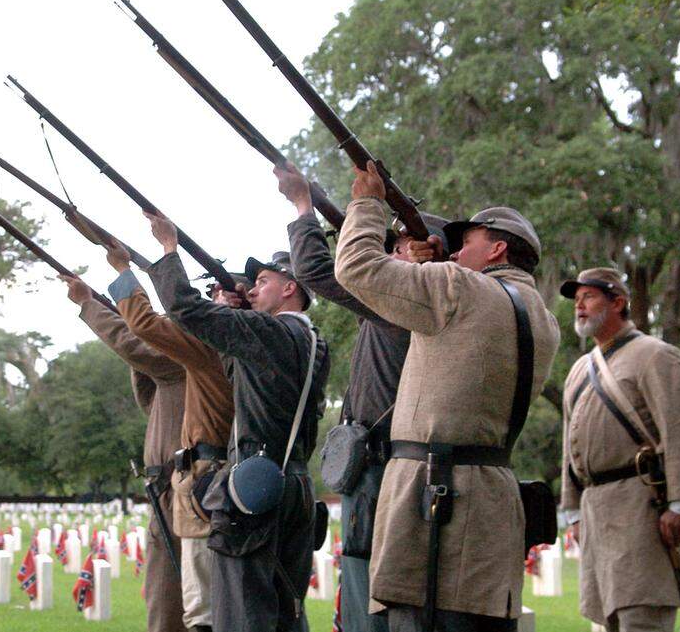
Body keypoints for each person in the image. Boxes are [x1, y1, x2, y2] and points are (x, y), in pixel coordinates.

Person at [333, 162, 560, 631]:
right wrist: (436, 266)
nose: (456, 250)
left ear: (497, 248)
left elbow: (354, 267)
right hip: (488, 499)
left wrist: (367, 204)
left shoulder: (458, 290)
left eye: (467, 242)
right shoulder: (542, 317)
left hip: (431, 506)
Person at [273, 161, 448, 632]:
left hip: (378, 469)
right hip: (396, 464)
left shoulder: (403, 300)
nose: (386, 258)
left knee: (362, 585)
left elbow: (311, 268)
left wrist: (302, 205)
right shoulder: (438, 304)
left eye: (396, 248)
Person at [141, 210, 331, 632]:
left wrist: (169, 249)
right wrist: (240, 317)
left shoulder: (269, 333)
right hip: (292, 486)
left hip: (253, 493)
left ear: (289, 288)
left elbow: (184, 308)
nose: (252, 289)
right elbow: (242, 374)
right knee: (286, 610)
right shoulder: (314, 341)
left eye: (263, 281)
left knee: (242, 614)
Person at [559, 267, 680, 632]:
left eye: (589, 297)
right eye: (576, 300)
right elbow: (570, 447)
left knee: (643, 617)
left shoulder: (656, 355)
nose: (579, 306)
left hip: (641, 508)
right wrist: (573, 512)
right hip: (596, 512)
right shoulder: (580, 369)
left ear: (618, 302)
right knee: (606, 621)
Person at [101, 241, 238, 632]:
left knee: (198, 612)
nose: (213, 301)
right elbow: (149, 388)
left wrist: (123, 275)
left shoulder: (212, 349)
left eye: (219, 295)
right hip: (204, 482)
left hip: (201, 484)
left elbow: (139, 337)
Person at [60, 275, 188, 632]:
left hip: (182, 491)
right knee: (165, 599)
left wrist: (91, 304)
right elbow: (149, 390)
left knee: (170, 604)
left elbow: (139, 348)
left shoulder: (200, 350)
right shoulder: (176, 367)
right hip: (168, 489)